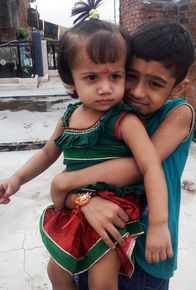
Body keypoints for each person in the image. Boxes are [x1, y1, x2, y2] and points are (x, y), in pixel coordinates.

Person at [0, 1, 173, 290]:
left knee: (101, 278)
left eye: (115, 76)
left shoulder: (124, 120)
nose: (105, 88)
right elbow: (47, 152)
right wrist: (16, 179)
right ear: (71, 80)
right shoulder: (69, 117)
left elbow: (151, 167)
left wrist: (159, 223)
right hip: (75, 206)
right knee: (56, 270)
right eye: (92, 78)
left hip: (115, 209)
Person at [48, 19, 195, 290]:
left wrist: (64, 183)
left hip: (148, 251)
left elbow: (139, 168)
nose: (137, 91)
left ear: (178, 87)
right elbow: (85, 168)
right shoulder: (110, 111)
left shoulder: (177, 114)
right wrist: (81, 199)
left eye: (155, 83)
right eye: (130, 76)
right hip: (96, 237)